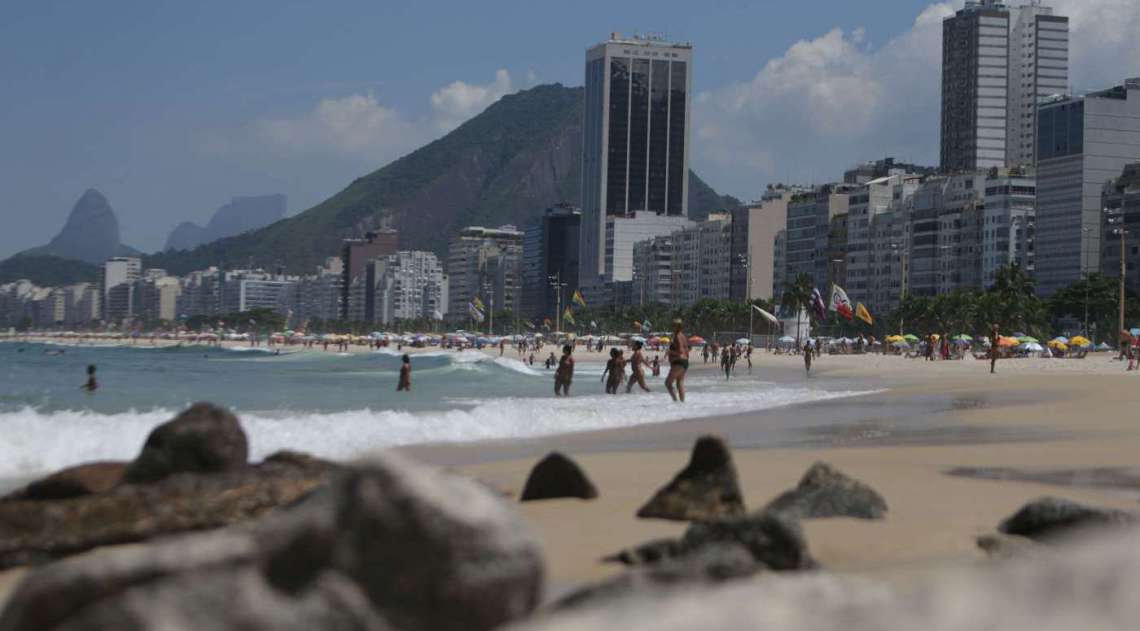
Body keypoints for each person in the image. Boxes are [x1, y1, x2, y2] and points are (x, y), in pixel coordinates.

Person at [665, 319, 690, 403]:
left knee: (668, 383)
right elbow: (686, 351)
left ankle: (675, 401)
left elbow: (680, 351)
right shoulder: (683, 336)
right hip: (684, 362)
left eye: (673, 325)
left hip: (678, 362)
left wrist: (670, 352)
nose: (672, 327)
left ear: (678, 327)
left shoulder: (677, 336)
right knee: (679, 382)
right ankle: (682, 404)